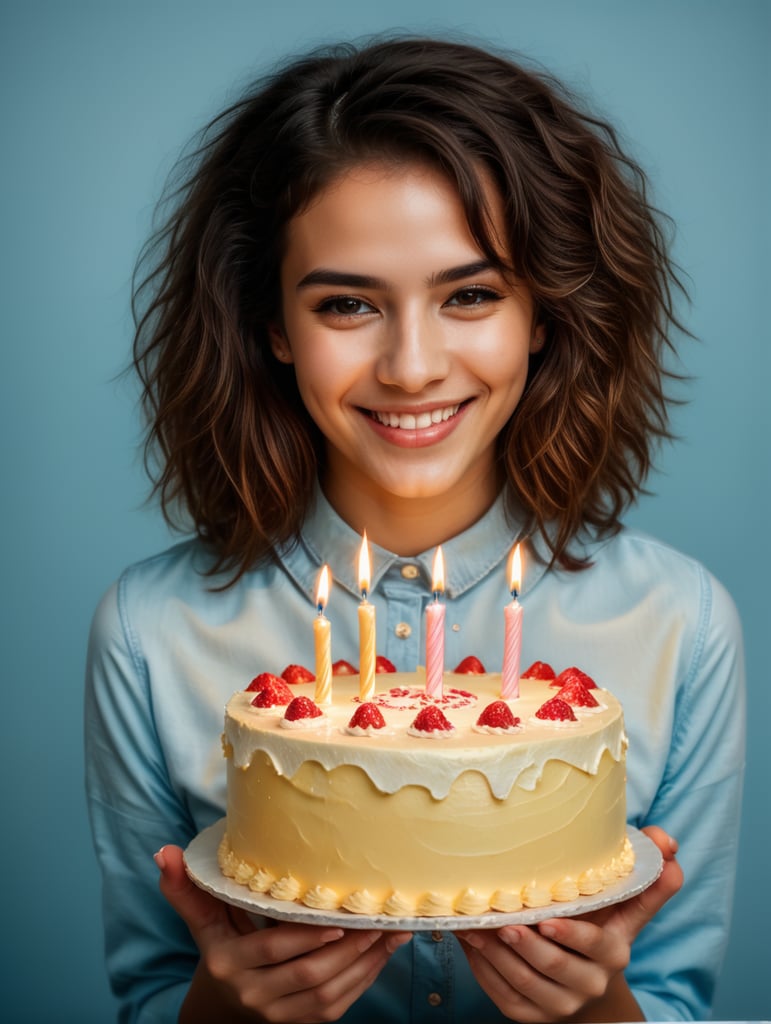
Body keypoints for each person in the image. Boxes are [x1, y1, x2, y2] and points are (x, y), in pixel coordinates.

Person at [85, 36, 745, 1024]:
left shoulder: (681, 624)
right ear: (272, 324)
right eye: (347, 303)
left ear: (543, 314)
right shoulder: (150, 631)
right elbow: (148, 997)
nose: (410, 365)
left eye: (470, 295)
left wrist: (599, 1007)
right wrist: (223, 1007)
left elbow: (677, 999)